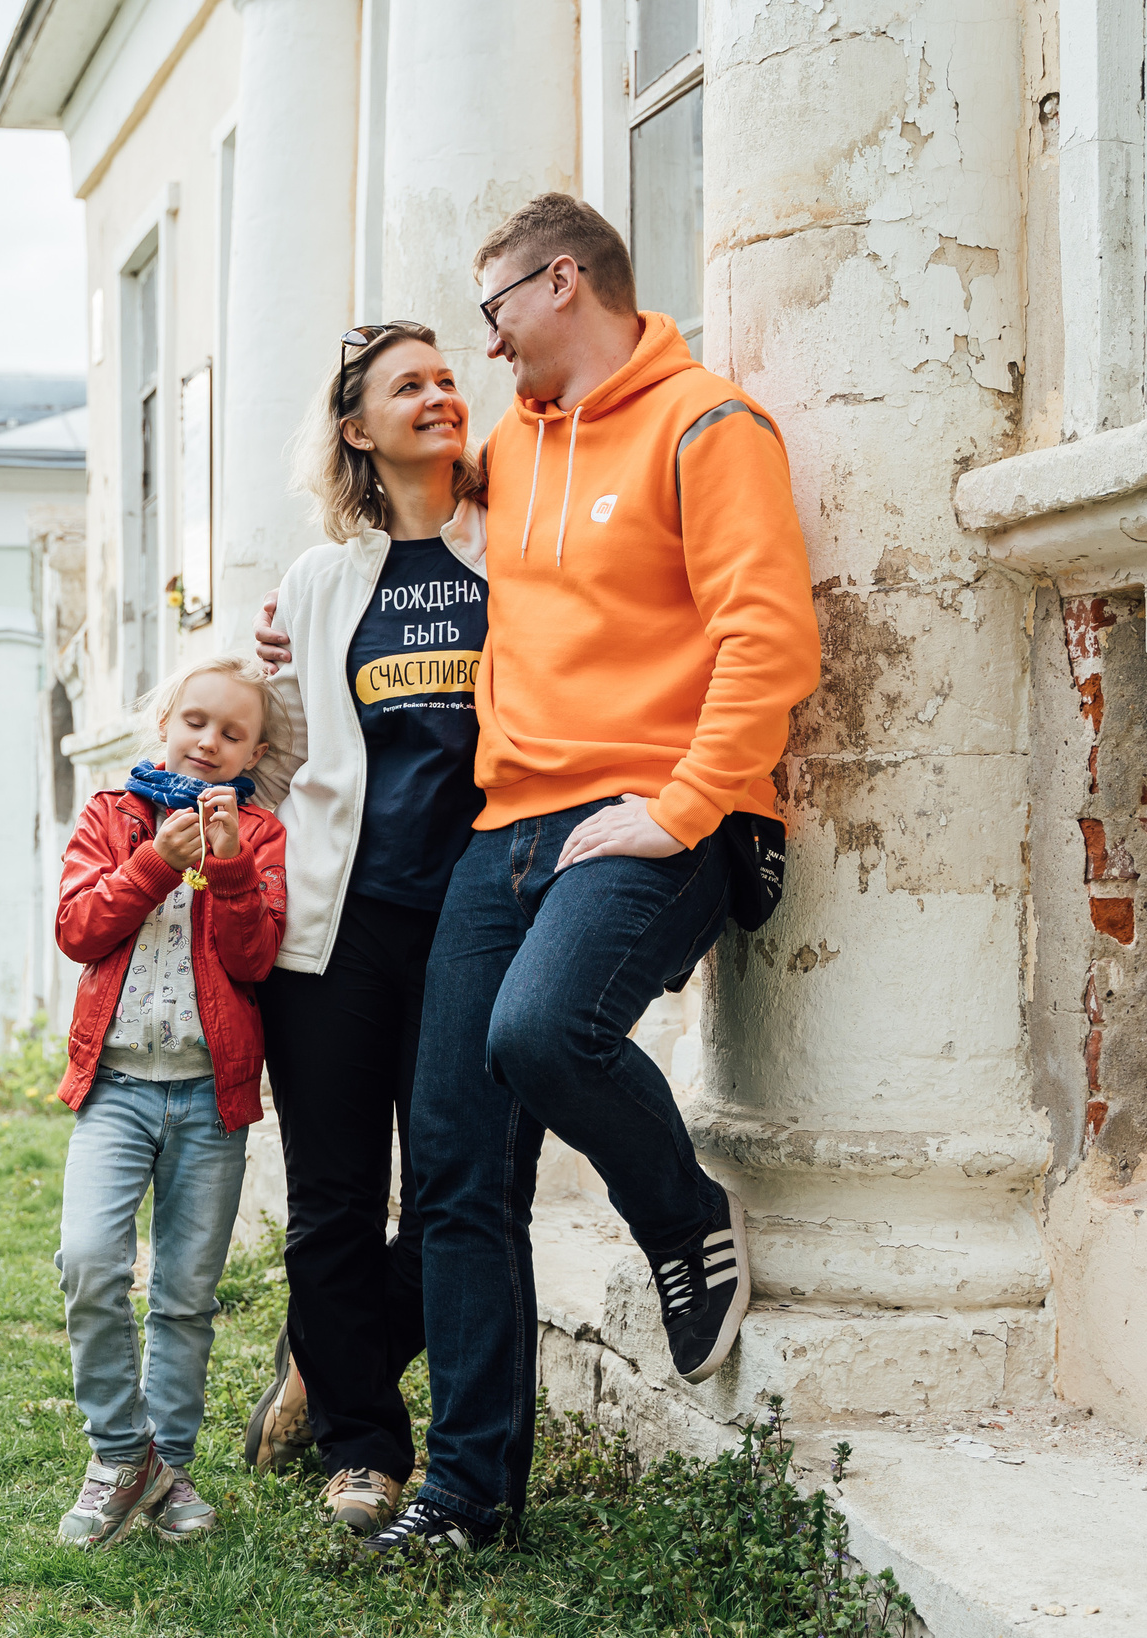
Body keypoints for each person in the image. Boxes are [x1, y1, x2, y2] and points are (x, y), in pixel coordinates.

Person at [256, 194, 820, 1561]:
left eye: (495, 311)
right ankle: (469, 1494)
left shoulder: (709, 426)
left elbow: (771, 637)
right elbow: (406, 516)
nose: (484, 348)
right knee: (453, 1165)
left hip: (661, 815)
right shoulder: (516, 450)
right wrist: (300, 613)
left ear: (561, 282)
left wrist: (679, 804)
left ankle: (685, 1220)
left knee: (538, 1031)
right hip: (502, 831)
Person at [236, 322, 488, 1538]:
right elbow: (274, 754)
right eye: (409, 385)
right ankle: (362, 1448)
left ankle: (331, 1359)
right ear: (358, 429)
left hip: (475, 927)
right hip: (331, 935)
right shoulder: (318, 584)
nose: (440, 395)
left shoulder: (517, 550)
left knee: (461, 1190)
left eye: (448, 377)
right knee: (336, 1197)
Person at [49, 655, 291, 1548]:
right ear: (165, 722)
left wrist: (225, 868)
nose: (207, 742)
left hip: (208, 1098)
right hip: (115, 1089)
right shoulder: (114, 816)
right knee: (88, 1261)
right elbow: (79, 928)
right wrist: (155, 861)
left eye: (231, 734)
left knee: (186, 1296)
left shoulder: (259, 836)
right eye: (195, 721)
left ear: (252, 752)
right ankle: (122, 1452)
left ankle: (171, 1466)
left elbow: (255, 960)